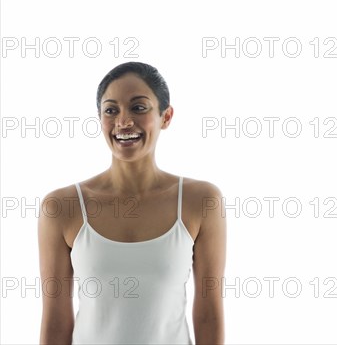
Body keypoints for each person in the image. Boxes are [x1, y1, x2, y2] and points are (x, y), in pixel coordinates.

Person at [38, 61, 226, 344]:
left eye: (139, 108)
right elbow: (55, 321)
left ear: (166, 116)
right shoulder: (62, 207)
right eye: (111, 110)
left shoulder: (201, 202)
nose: (123, 122)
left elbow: (209, 315)